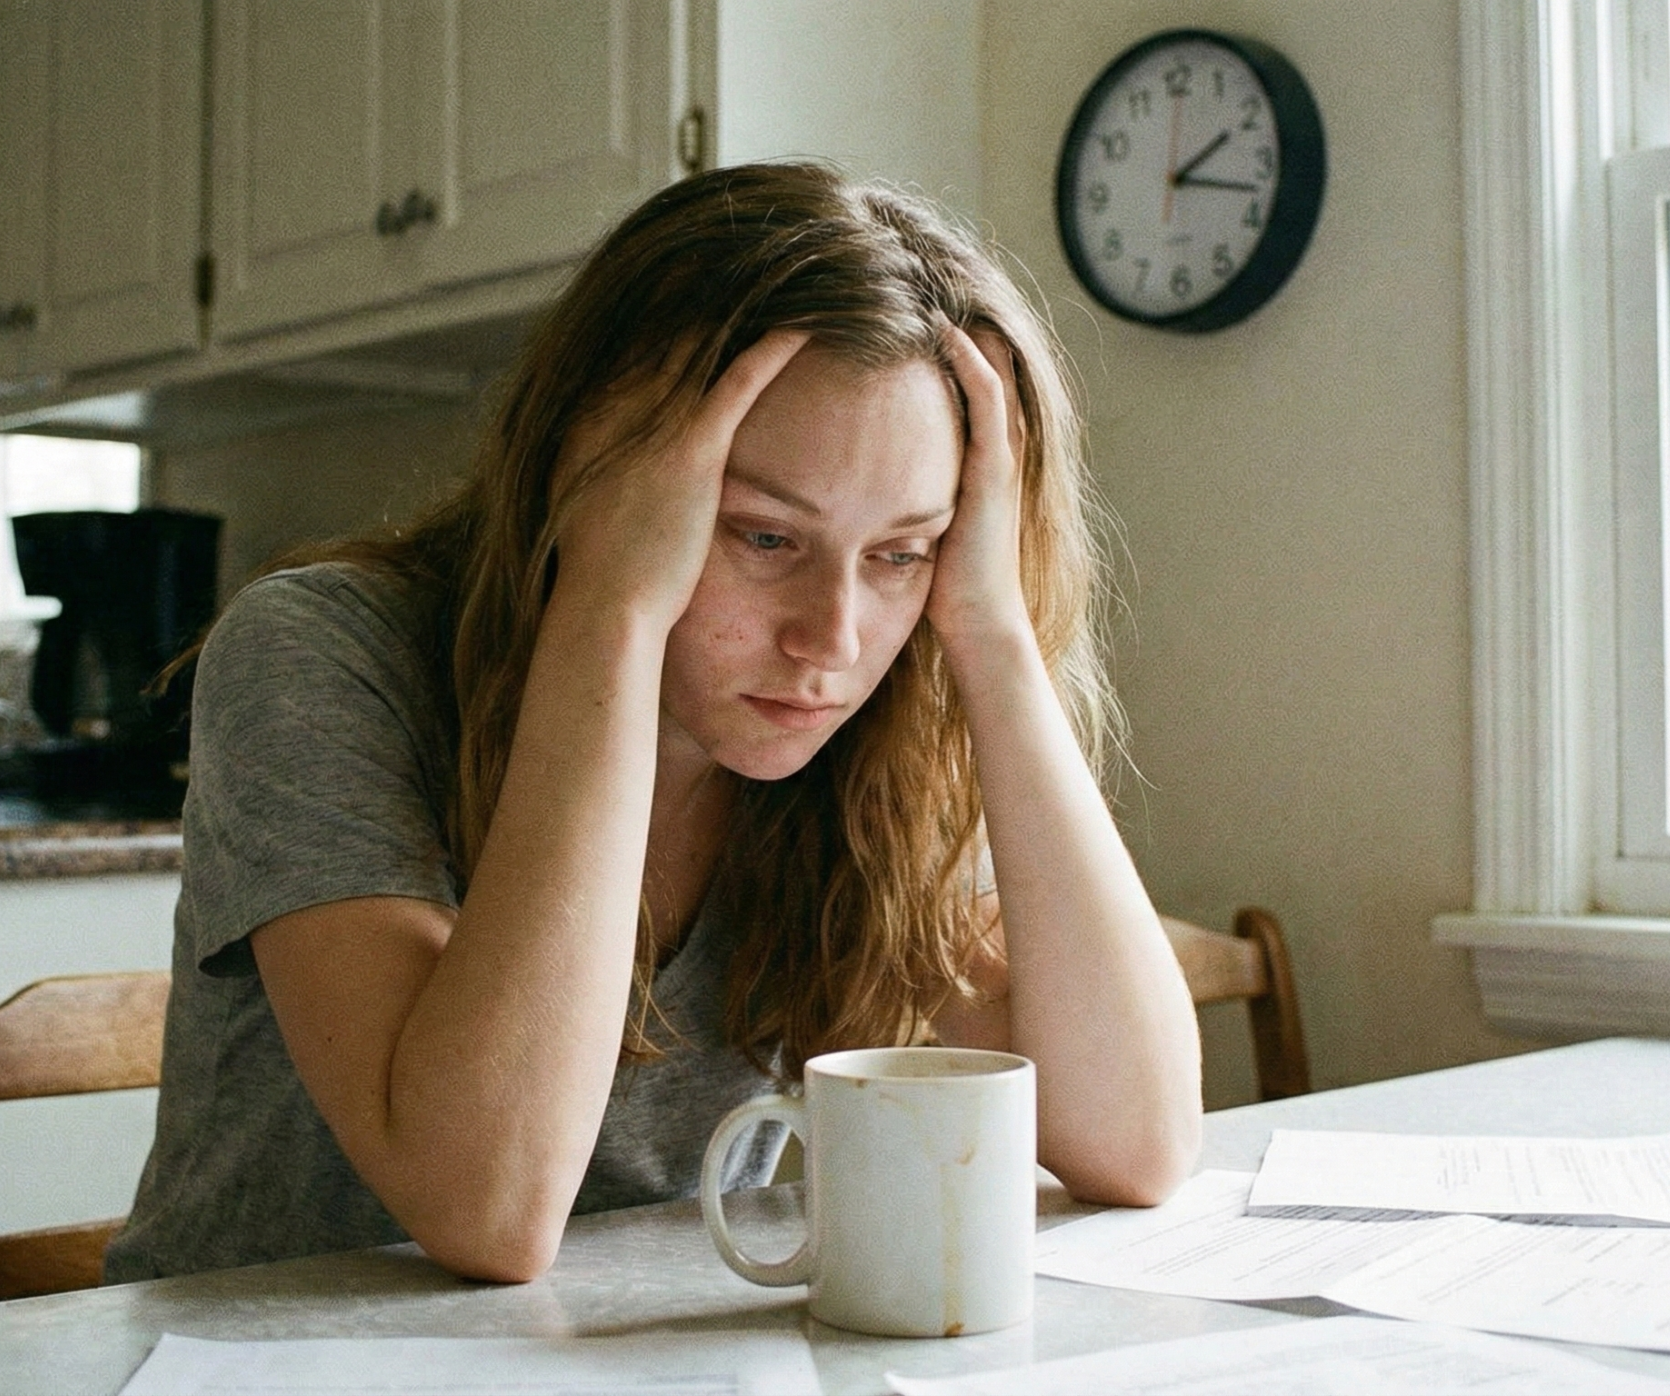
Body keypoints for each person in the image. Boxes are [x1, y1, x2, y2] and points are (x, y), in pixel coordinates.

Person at [103, 161, 1201, 1285]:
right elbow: (486, 1206)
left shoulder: (887, 724)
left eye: (900, 552)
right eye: (764, 538)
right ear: (595, 470)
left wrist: (993, 638)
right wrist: (609, 609)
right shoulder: (319, 652)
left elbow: (1138, 1143)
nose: (831, 638)